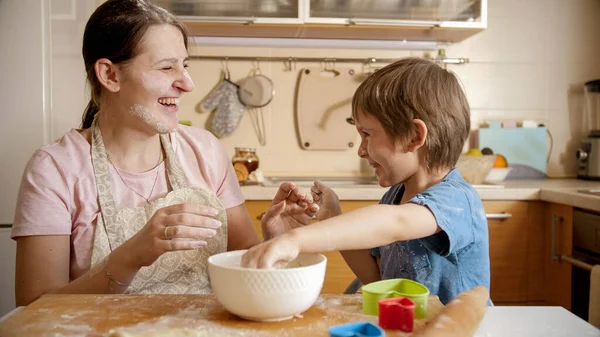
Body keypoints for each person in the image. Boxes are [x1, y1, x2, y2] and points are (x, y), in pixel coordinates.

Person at [11, 0, 317, 306]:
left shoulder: (205, 151)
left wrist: (274, 239)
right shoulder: (55, 169)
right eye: (166, 67)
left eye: (184, 65)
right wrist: (130, 257)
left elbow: (246, 274)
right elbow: (34, 308)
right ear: (110, 75)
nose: (187, 83)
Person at [242, 57, 491, 305]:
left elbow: (396, 222)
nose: (361, 151)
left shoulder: (457, 200)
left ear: (414, 137)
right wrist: (331, 217)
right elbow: (376, 278)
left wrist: (295, 240)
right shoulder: (395, 197)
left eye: (367, 134)